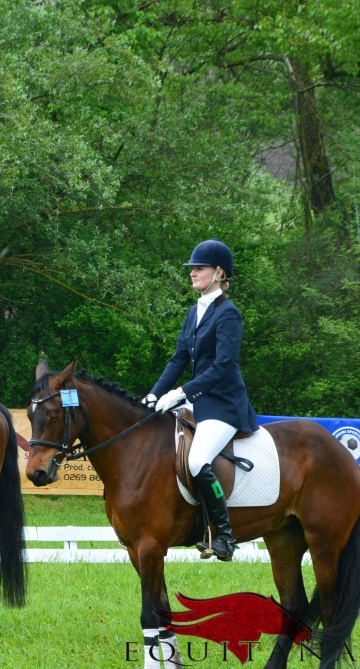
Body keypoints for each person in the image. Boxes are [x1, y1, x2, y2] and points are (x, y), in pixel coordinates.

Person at [144, 239, 258, 561]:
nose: (192, 273)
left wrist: (181, 393)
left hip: (224, 404)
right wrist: (154, 394)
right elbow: (178, 359)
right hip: (198, 400)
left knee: (196, 461)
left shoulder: (228, 314)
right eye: (192, 268)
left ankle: (224, 536)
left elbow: (222, 368)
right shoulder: (194, 311)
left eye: (200, 268)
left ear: (219, 273)